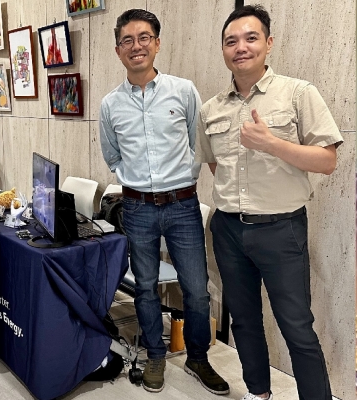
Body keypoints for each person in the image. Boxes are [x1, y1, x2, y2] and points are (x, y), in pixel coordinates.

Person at [196, 5, 342, 400]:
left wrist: (272, 144)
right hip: (228, 228)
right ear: (223, 50)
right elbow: (215, 164)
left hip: (281, 229)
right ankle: (258, 393)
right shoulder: (211, 109)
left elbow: (327, 161)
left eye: (251, 38)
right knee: (244, 321)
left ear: (269, 43)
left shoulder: (298, 93)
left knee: (296, 326)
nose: (240, 47)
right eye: (231, 41)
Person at [99, 9, 229, 394]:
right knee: (145, 287)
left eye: (144, 38)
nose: (136, 46)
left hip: (182, 206)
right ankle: (155, 355)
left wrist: (182, 176)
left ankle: (198, 358)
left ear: (157, 43)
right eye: (127, 40)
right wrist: (136, 181)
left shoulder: (183, 91)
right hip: (137, 208)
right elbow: (112, 155)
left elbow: (199, 142)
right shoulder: (110, 105)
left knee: (196, 289)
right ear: (118, 50)